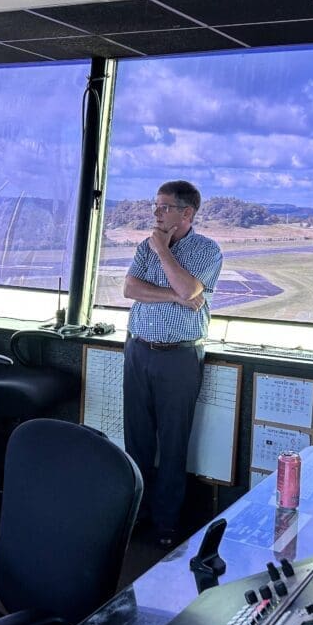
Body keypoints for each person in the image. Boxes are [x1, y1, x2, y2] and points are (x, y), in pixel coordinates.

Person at [123, 180, 223, 548]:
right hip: (138, 350)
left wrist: (163, 251)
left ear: (186, 213)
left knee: (174, 442)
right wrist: (177, 297)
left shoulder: (206, 250)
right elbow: (130, 289)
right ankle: (137, 514)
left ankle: (166, 524)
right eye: (156, 206)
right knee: (137, 441)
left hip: (179, 356)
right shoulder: (144, 247)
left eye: (163, 207)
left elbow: (190, 289)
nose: (156, 213)